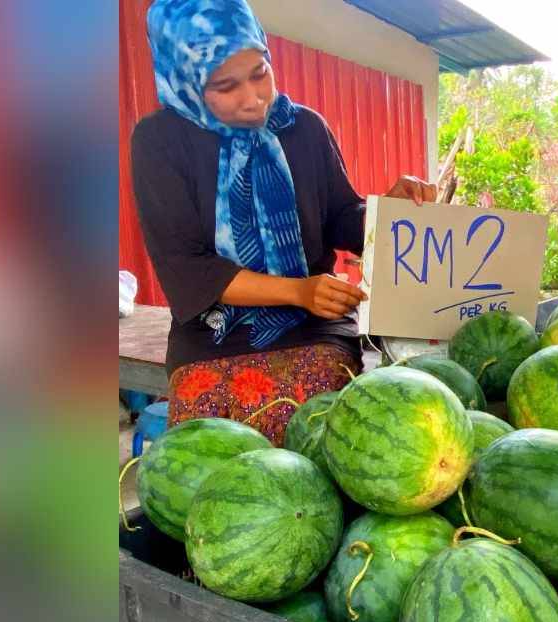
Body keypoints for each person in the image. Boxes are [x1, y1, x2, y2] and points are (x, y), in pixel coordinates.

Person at [131, 0, 435, 445]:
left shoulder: (304, 128)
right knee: (211, 462)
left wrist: (386, 213)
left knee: (328, 441)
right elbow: (187, 270)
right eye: (225, 85)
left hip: (313, 329)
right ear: (187, 80)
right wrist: (299, 290)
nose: (253, 98)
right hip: (214, 335)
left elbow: (339, 219)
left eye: (260, 73)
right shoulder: (161, 141)